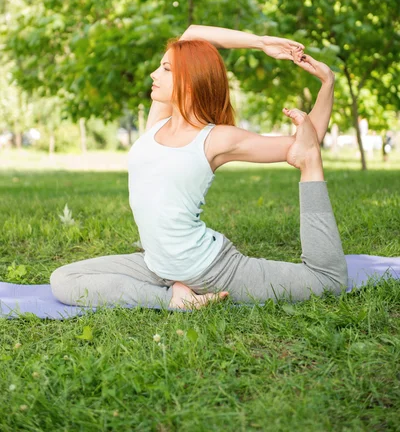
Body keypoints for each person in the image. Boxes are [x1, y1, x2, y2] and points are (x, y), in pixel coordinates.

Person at [50, 26, 348, 311]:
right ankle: (173, 297)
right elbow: (191, 34)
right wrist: (260, 42)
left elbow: (306, 145)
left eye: (166, 69)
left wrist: (327, 84)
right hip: (157, 266)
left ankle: (177, 294)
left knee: (327, 283)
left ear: (190, 80)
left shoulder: (216, 138)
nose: (154, 73)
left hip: (211, 269)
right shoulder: (158, 122)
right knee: (63, 280)